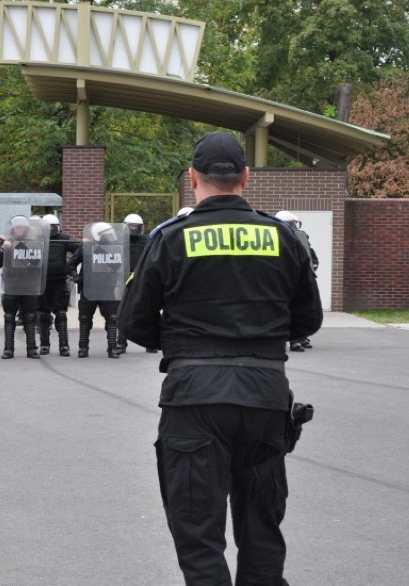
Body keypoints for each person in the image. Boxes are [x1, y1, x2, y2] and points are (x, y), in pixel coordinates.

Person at [119, 132, 323, 585]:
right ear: (245, 178)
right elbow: (308, 320)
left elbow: (132, 322)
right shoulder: (282, 237)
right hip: (265, 397)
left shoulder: (171, 237)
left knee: (198, 534)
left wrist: (179, 341)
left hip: (194, 399)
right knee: (262, 529)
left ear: (192, 179)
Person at [67, 222, 123, 358]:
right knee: (85, 319)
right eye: (107, 235)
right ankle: (83, 348)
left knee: (112, 318)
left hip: (107, 288)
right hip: (89, 288)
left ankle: (112, 348)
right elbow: (71, 264)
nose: (110, 237)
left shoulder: (114, 248)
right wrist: (75, 276)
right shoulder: (86, 248)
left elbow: (120, 266)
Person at [0, 215, 43, 359]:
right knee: (9, 317)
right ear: (13, 229)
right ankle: (8, 349)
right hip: (11, 285)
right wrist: (2, 249)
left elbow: (39, 264)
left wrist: (34, 245)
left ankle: (32, 349)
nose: (19, 230)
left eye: (22, 227)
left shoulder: (33, 243)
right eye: (17, 228)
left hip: (29, 286)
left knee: (30, 317)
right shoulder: (7, 243)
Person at [276, 210, 320, 352]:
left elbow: (309, 253)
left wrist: (312, 265)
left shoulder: (301, 236)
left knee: (301, 307)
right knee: (290, 309)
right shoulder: (278, 236)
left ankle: (301, 337)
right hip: (286, 280)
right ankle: (294, 340)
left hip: (297, 277)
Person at [37, 214, 79, 356]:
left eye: (53, 228)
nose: (50, 230)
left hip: (59, 282)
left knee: (61, 314)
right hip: (41, 282)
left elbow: (79, 250)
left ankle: (64, 346)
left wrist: (72, 264)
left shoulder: (64, 239)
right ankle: (44, 345)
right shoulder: (36, 239)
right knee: (43, 315)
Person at [117, 213, 149, 354]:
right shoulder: (117, 240)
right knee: (122, 310)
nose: (134, 229)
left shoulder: (147, 240)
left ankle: (150, 343)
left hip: (140, 276)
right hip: (123, 277)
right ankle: (121, 343)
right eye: (132, 227)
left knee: (146, 310)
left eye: (136, 227)